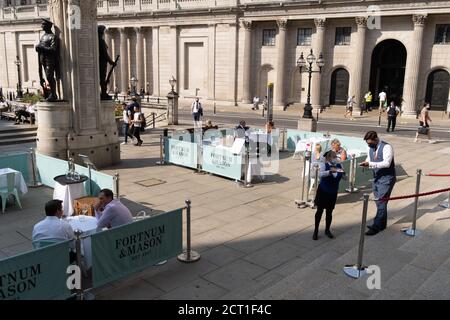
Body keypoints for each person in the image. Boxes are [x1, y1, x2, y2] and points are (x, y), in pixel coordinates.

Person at [359, 131, 397, 236]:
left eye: (370, 143)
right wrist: (365, 162)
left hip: (387, 178)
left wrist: (370, 164)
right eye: (367, 143)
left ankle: (376, 226)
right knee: (379, 202)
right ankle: (382, 224)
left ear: (376, 139)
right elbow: (369, 158)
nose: (369, 145)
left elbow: (386, 163)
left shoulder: (387, 147)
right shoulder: (370, 147)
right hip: (376, 177)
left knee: (381, 201)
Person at [313, 151, 346, 240]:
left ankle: (327, 230)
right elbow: (320, 174)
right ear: (329, 158)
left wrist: (344, 174)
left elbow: (344, 178)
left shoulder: (340, 166)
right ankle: (316, 231)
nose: (336, 158)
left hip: (333, 192)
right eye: (334, 156)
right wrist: (330, 172)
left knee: (329, 212)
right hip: (323, 191)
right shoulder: (325, 165)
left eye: (336, 156)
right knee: (319, 211)